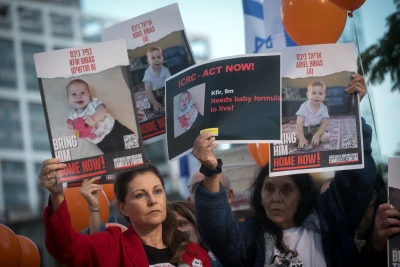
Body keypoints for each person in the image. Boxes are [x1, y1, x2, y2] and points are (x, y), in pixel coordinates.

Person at [192, 76, 375, 267]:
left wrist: (351, 108)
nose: (276, 198)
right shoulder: (250, 238)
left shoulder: (330, 219)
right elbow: (218, 232)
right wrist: (211, 171)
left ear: (302, 195)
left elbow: (356, 182)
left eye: (287, 189)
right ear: (259, 195)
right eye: (269, 189)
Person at [39, 160, 211, 267]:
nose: (153, 201)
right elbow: (66, 248)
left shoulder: (195, 253)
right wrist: (56, 195)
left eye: (157, 191)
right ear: (123, 208)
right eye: (140, 195)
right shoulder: (112, 245)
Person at [66, 79, 137, 153]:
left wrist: (94, 118)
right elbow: (71, 128)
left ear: (90, 95)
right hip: (102, 141)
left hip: (114, 128)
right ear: (68, 100)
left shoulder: (93, 102)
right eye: (74, 94)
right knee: (115, 158)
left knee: (134, 144)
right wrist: (71, 132)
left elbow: (102, 110)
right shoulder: (73, 117)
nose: (78, 97)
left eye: (82, 93)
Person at [296, 80, 330, 149]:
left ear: (324, 96)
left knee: (326, 138)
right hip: (304, 129)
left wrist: (317, 135)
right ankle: (305, 140)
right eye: (314, 93)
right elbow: (299, 123)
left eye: (320, 94)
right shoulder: (304, 106)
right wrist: (301, 138)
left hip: (316, 128)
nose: (317, 96)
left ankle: (314, 139)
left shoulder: (324, 108)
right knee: (294, 139)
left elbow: (324, 123)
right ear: (308, 95)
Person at [143, 45, 171, 112]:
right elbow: (148, 89)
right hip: (153, 93)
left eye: (159, 57)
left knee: (167, 98)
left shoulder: (165, 70)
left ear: (162, 58)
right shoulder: (148, 73)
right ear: (148, 61)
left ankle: (167, 108)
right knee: (151, 105)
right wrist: (154, 102)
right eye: (153, 58)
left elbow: (170, 82)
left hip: (164, 90)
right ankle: (156, 105)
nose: (156, 60)